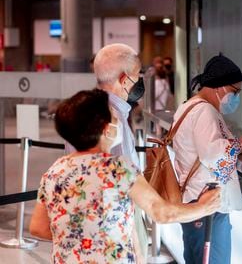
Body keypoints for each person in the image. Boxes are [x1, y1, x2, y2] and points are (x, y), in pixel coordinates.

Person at [29, 89, 221, 264]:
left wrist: (81, 240)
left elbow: (38, 227)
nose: (118, 123)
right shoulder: (118, 168)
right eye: (114, 117)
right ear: (105, 128)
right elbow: (161, 212)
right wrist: (203, 207)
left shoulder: (55, 171)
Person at [172, 54, 242, 264]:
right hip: (206, 205)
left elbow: (208, 148)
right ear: (219, 87)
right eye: (235, 91)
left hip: (195, 202)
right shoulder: (204, 111)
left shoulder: (189, 106)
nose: (236, 98)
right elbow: (213, 154)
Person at [92, 43, 148, 260]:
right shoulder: (114, 119)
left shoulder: (84, 110)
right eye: (138, 75)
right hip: (118, 226)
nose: (139, 82)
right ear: (125, 79)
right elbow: (126, 186)